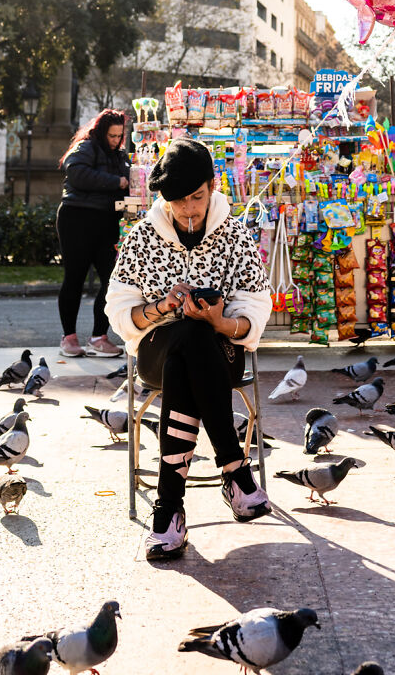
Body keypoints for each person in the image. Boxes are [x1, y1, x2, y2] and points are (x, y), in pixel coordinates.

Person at [105, 138, 273, 561]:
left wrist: (219, 322)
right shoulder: (144, 238)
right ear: (164, 201)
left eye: (197, 197)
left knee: (195, 342)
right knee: (185, 338)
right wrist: (163, 306)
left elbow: (256, 307)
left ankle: (168, 511)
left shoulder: (234, 235)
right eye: (178, 202)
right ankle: (235, 470)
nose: (189, 209)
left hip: (223, 354)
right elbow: (119, 311)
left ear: (213, 185)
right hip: (157, 351)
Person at [56, 109, 130, 358]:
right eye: (112, 135)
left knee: (112, 280)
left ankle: (99, 336)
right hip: (77, 218)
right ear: (100, 132)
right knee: (74, 279)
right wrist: (115, 182)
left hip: (107, 221)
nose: (116, 140)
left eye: (120, 136)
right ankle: (69, 338)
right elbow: (75, 171)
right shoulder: (86, 147)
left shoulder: (120, 155)